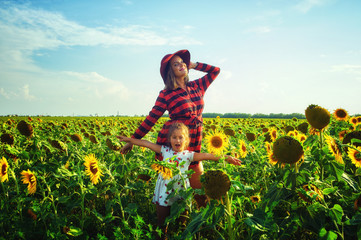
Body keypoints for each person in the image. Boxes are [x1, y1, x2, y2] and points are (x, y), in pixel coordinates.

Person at [120, 49, 220, 207]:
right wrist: (133, 140)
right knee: (172, 192)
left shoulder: (197, 86)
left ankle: (198, 228)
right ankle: (164, 228)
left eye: (183, 62)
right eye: (176, 64)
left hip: (194, 143)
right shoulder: (166, 94)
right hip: (176, 146)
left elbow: (216, 71)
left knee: (200, 192)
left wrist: (194, 65)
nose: (181, 65)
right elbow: (152, 118)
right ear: (170, 71)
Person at [117, 122, 241, 237]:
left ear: (186, 140)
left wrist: (226, 158)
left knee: (183, 220)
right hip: (165, 190)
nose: (177, 140)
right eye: (174, 137)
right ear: (169, 139)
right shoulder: (164, 151)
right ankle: (162, 236)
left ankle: (181, 234)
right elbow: (146, 143)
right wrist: (129, 140)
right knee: (162, 220)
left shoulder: (188, 155)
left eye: (181, 137)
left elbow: (208, 156)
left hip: (182, 191)